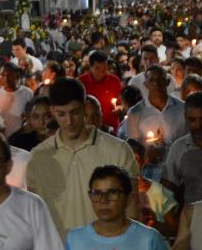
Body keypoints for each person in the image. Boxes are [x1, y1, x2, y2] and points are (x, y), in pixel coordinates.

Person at [26, 78, 138, 240]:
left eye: (75, 112)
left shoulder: (117, 150)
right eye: (61, 114)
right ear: (52, 111)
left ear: (85, 107)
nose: (69, 121)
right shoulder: (38, 157)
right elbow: (36, 216)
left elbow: (132, 211)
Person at [160, 93, 202, 209]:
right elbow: (167, 189)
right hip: (192, 222)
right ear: (185, 118)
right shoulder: (178, 148)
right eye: (192, 120)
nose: (198, 126)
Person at [79, 50, 124, 131]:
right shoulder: (81, 82)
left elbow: (121, 103)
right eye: (97, 68)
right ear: (90, 67)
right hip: (88, 128)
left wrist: (120, 108)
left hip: (111, 128)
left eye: (105, 68)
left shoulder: (114, 81)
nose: (102, 72)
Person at [0, 61, 35, 138]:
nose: (6, 78)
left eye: (9, 75)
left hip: (20, 138)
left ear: (17, 76)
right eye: (3, 75)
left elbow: (31, 116)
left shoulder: (27, 93)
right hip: (1, 137)